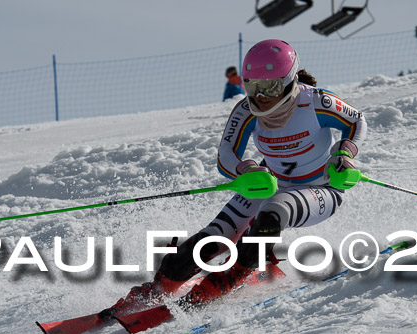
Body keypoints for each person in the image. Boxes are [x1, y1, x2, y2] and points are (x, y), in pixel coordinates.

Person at [112, 39, 367, 310]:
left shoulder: (316, 102)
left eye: (269, 87)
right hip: (270, 183)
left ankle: (231, 276)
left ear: (290, 80)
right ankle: (159, 288)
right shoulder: (246, 111)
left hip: (321, 188)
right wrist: (246, 169)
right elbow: (226, 156)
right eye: (252, 86)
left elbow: (356, 120)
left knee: (272, 212)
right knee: (210, 240)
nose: (261, 96)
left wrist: (345, 153)